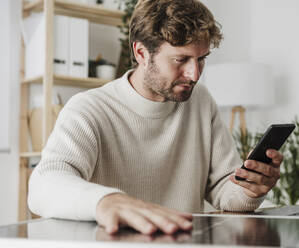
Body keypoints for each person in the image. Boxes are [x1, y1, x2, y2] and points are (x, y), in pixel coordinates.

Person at [28, 0, 282, 236]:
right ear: (141, 53)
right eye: (180, 59)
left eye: (201, 59)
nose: (194, 74)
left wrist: (250, 189)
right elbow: (43, 186)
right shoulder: (89, 108)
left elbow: (225, 193)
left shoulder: (200, 101)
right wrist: (108, 201)